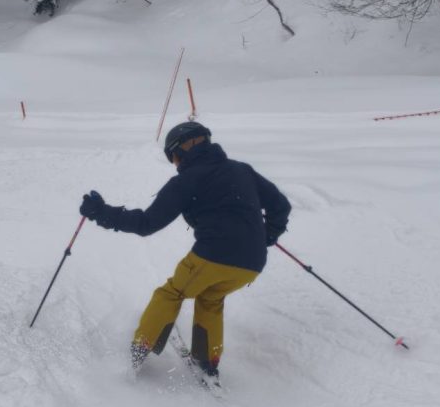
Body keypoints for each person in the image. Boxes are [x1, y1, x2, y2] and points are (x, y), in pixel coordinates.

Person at [79, 121, 291, 379]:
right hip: (253, 263)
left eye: (173, 157)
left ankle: (137, 352)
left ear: (183, 149)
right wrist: (267, 235)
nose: (175, 163)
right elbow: (281, 205)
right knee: (210, 299)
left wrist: (101, 212)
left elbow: (147, 223)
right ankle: (207, 360)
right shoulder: (241, 170)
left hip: (213, 254)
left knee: (171, 293)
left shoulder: (187, 180)